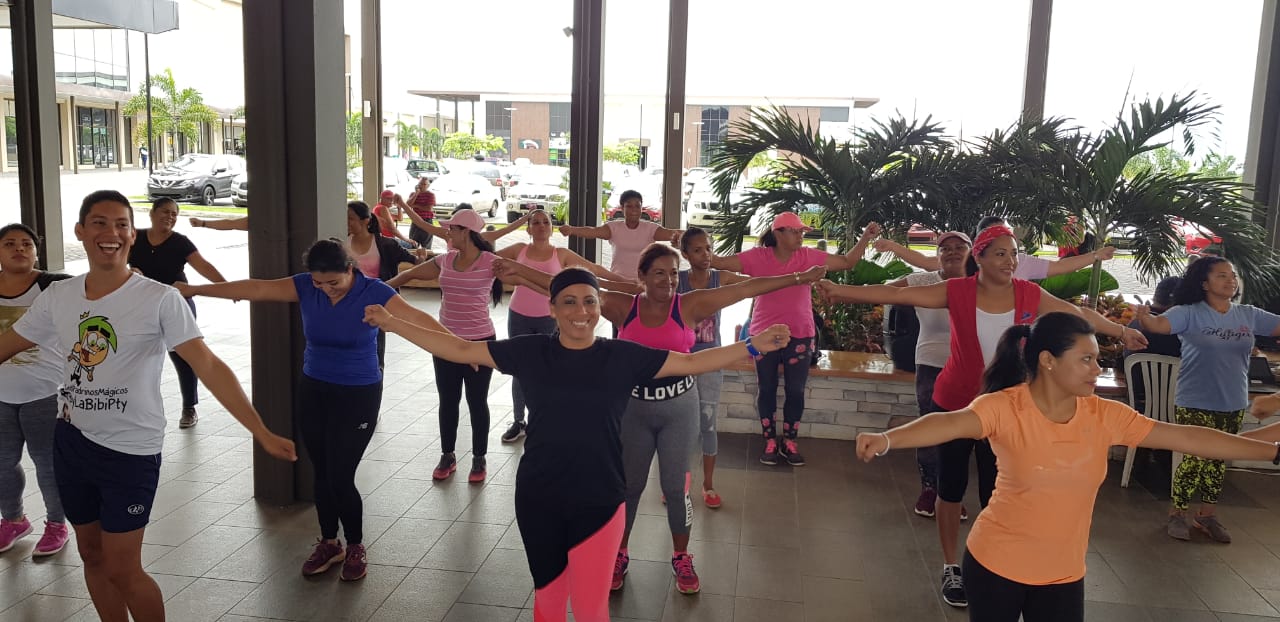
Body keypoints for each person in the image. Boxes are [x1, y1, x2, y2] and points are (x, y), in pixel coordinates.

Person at [362, 266, 793, 622]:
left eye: (589, 301)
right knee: (548, 604)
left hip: (600, 500)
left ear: (599, 307)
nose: (581, 311)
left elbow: (693, 361)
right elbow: (458, 349)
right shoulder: (531, 352)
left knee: (589, 609)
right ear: (552, 308)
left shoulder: (621, 356)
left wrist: (753, 346)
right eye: (569, 301)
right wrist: (391, 322)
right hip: (538, 497)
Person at [854, 312, 1280, 622]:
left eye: (1097, 359)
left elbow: (1186, 437)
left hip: (1063, 574)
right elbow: (947, 422)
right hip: (996, 565)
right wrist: (889, 439)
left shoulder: (1104, 415)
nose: (1098, 368)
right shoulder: (1005, 407)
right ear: (1048, 360)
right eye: (1086, 359)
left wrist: (1271, 451)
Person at [0, 190, 295, 622]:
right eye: (99, 222)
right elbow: (7, 345)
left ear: (131, 235)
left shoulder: (159, 299)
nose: (111, 233)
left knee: (123, 567)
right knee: (91, 555)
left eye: (121, 224)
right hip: (72, 440)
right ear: (81, 232)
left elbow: (209, 365)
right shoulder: (58, 297)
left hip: (130, 451)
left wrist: (261, 431)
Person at [816, 224, 1146, 608]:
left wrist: (1121, 332)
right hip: (956, 403)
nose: (1010, 261)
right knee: (951, 487)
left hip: (1007, 409)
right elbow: (896, 292)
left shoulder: (1028, 293)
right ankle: (951, 565)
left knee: (997, 491)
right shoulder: (957, 291)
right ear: (982, 258)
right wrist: (840, 291)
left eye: (1014, 254)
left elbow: (1075, 313)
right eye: (1001, 254)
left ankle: (996, 562)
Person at [501, 244, 826, 595]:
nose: (669, 280)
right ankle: (619, 553)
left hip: (679, 408)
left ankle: (681, 556)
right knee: (628, 487)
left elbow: (746, 288)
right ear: (642, 277)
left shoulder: (688, 305)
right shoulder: (623, 306)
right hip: (634, 410)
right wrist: (517, 272)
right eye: (659, 272)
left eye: (673, 273)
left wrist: (798, 277)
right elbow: (562, 285)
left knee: (675, 488)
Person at [176, 239, 443, 581]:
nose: (326, 290)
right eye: (319, 283)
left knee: (341, 476)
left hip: (358, 393)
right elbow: (256, 288)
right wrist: (193, 288)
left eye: (334, 282)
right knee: (321, 473)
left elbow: (421, 321)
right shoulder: (306, 287)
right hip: (314, 388)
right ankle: (330, 542)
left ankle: (356, 545)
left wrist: (466, 351)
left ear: (350, 269)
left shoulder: (374, 292)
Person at [709, 212, 879, 466]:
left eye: (802, 232)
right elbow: (720, 263)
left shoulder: (808, 256)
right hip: (764, 335)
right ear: (778, 234)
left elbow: (846, 262)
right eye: (795, 231)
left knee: (795, 390)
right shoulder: (758, 257)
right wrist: (695, 248)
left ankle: (790, 441)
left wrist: (866, 237)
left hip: (801, 333)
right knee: (766, 388)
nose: (801, 236)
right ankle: (769, 440)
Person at [1133, 257, 1280, 543]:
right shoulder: (1189, 313)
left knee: (1218, 459)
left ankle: (1206, 516)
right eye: (1222, 276)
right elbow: (1160, 325)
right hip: (1195, 399)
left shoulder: (1248, 314)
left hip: (1233, 400)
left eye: (1233, 276)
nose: (1230, 281)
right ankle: (1177, 514)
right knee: (1195, 458)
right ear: (1204, 283)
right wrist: (1145, 318)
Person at [388, 208, 509, 483]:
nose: (447, 232)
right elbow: (408, 276)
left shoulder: (491, 261)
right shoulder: (445, 260)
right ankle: (448, 455)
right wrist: (379, 288)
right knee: (448, 401)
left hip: (479, 341)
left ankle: (479, 459)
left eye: (452, 228)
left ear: (466, 232)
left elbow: (522, 276)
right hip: (443, 339)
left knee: (477, 401)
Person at [493, 209, 627, 443]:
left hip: (549, 317)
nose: (541, 225)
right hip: (519, 315)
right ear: (529, 227)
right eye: (536, 222)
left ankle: (544, 418)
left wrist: (627, 283)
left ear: (551, 227)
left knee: (549, 368)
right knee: (520, 369)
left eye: (546, 222)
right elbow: (488, 259)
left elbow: (593, 270)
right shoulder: (518, 250)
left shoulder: (561, 254)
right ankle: (519, 420)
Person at [885, 231, 973, 520]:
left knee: (960, 432)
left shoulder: (982, 283)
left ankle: (951, 494)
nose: (952, 252)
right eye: (945, 248)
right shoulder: (924, 281)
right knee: (929, 426)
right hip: (930, 362)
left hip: (969, 367)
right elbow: (886, 291)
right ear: (937, 256)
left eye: (960, 247)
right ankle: (929, 488)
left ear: (971, 252)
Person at [0, 224, 71, 556]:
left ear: (36, 251)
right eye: (10, 243)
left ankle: (57, 525)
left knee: (47, 463)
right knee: (2, 462)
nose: (19, 249)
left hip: (45, 392)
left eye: (26, 244)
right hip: (1, 395)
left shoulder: (54, 285)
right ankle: (13, 520)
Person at [674, 226, 758, 508]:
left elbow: (754, 282)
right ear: (685, 254)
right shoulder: (678, 282)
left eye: (709, 248)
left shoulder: (720, 279)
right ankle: (678, 484)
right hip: (681, 363)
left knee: (708, 425)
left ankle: (708, 485)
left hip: (712, 362)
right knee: (682, 427)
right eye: (697, 250)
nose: (705, 254)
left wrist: (797, 277)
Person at [128, 198, 229, 429]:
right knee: (138, 355)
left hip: (177, 303)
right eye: (165, 212)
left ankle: (189, 408)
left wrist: (225, 287)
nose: (170, 217)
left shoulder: (180, 242)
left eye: (174, 214)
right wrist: (130, 271)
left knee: (184, 356)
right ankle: (134, 404)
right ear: (152, 213)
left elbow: (204, 266)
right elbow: (116, 264)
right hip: (143, 305)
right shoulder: (136, 238)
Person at [875, 215, 1116, 279]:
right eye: (996, 244)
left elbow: (1059, 267)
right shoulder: (965, 263)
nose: (1008, 258)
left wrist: (1095, 255)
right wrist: (893, 246)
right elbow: (925, 262)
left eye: (1008, 245)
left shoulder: (1022, 265)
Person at [558, 189, 682, 281]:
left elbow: (672, 233)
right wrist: (571, 230)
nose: (634, 210)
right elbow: (593, 231)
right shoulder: (614, 228)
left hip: (644, 281)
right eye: (629, 206)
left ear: (641, 208)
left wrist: (691, 236)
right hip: (617, 281)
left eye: (637, 206)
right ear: (622, 208)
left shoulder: (650, 228)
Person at [1121, 276, 1182, 411]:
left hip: (1138, 409)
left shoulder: (1134, 326)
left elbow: (1121, 366)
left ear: (1155, 296)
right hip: (1179, 413)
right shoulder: (1182, 333)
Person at [397, 200, 530, 251]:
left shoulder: (483, 237)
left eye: (454, 225)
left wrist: (528, 217)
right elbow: (421, 223)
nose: (450, 230)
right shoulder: (448, 234)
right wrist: (403, 205)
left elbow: (508, 229)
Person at [404, 177, 437, 249]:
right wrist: (416, 194)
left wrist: (416, 205)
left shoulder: (430, 195)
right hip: (415, 221)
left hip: (426, 221)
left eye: (424, 184)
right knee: (412, 243)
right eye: (420, 184)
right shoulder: (413, 194)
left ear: (428, 186)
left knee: (426, 245)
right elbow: (408, 205)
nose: (422, 186)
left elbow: (428, 208)